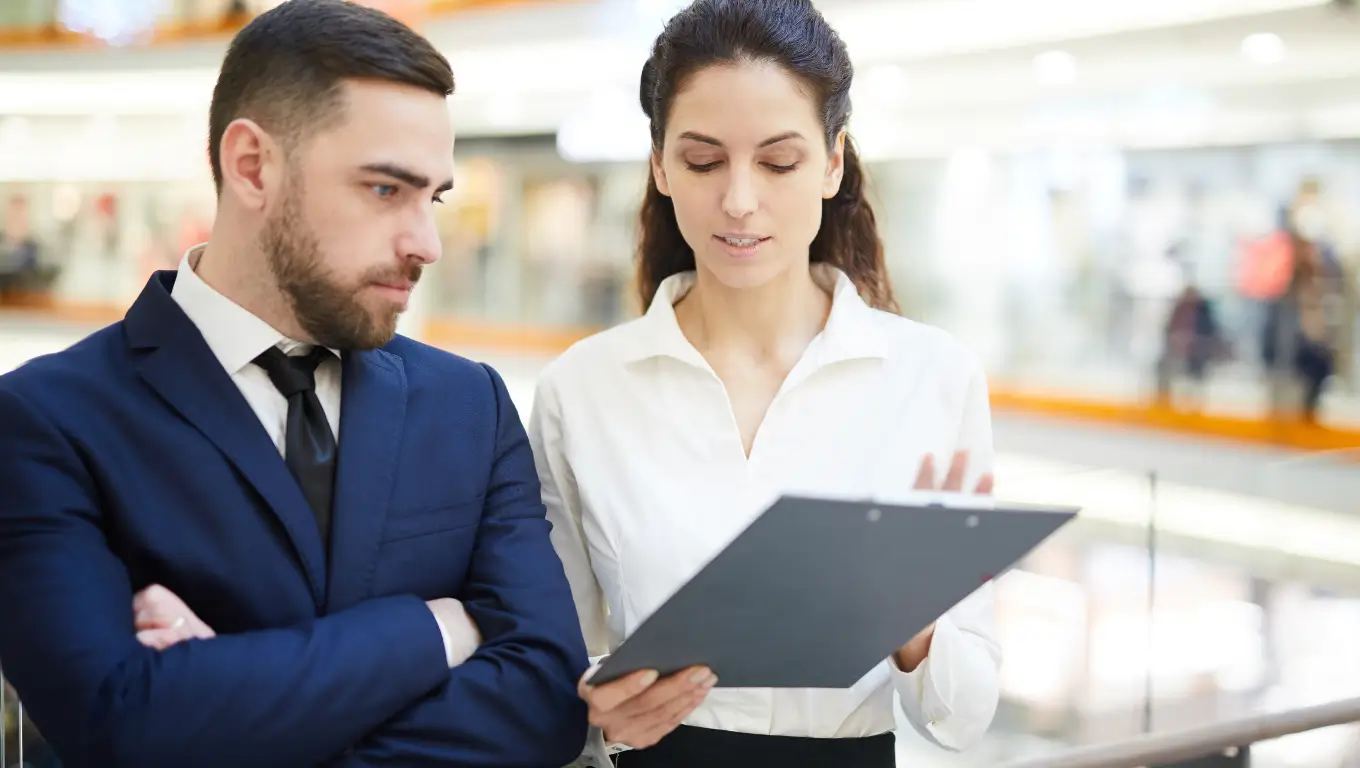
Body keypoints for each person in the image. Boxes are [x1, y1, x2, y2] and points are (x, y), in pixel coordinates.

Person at [0, 2, 588, 766]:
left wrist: (220, 708)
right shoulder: (47, 420)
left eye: (433, 198)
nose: (428, 243)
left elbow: (544, 704)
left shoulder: (469, 405)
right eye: (385, 190)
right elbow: (121, 723)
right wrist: (439, 628)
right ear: (252, 167)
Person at [528, 1, 1001, 766]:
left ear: (832, 162)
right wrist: (597, 718)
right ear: (659, 164)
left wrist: (911, 621)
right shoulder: (580, 391)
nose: (739, 200)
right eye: (703, 161)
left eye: (778, 162)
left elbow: (965, 715)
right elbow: (556, 678)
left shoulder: (932, 378)